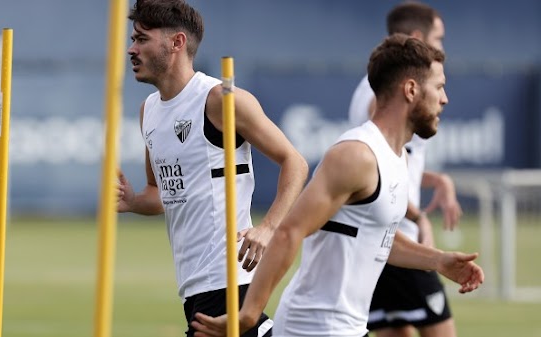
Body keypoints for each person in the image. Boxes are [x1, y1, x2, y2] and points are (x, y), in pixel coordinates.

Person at [191, 34, 484, 337]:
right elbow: (290, 232)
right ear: (411, 90)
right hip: (313, 329)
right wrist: (249, 314)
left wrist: (438, 260)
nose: (445, 98)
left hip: (349, 328)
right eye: (439, 87)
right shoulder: (355, 155)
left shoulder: (397, 158)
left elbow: (379, 237)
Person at [117, 1, 309, 336]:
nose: (131, 50)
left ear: (176, 43)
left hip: (227, 277)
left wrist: (268, 228)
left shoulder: (220, 99)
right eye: (133, 39)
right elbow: (160, 195)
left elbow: (295, 161)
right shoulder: (148, 111)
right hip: (193, 286)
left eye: (141, 39)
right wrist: (133, 202)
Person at [348, 3, 462, 337]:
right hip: (397, 236)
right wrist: (418, 218)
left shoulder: (371, 88)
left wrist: (437, 179)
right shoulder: (385, 104)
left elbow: (391, 165)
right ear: (417, 37)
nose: (442, 46)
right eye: (438, 38)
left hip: (381, 236)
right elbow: (380, 175)